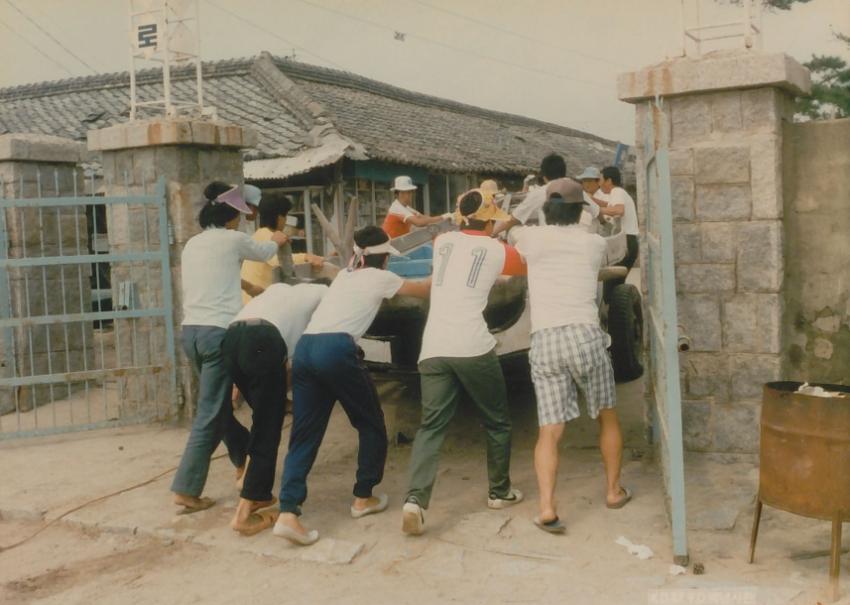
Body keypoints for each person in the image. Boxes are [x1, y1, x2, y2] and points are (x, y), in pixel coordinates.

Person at [274, 226, 431, 545]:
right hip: (337, 349)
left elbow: (340, 273)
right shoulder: (382, 277)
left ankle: (288, 512)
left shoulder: (346, 276)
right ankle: (363, 497)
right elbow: (423, 290)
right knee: (370, 423)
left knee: (304, 433)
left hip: (306, 348)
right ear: (384, 258)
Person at [402, 189, 526, 536]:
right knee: (497, 421)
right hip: (472, 346)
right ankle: (499, 492)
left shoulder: (442, 241)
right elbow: (523, 265)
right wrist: (508, 231)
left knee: (431, 426)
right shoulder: (498, 249)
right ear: (490, 221)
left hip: (433, 347)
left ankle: (414, 500)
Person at [513, 179, 631, 535]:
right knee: (607, 416)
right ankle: (613, 492)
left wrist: (538, 200)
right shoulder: (594, 243)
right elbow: (596, 220)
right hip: (585, 336)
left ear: (547, 209)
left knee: (549, 431)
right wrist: (588, 205)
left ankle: (547, 507)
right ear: (580, 210)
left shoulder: (530, 239)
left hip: (546, 339)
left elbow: (510, 226)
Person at [170, 182, 289, 514]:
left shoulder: (193, 244)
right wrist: (278, 238)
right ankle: (186, 489)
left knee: (218, 407)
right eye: (240, 214)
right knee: (210, 412)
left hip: (191, 333)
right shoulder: (234, 239)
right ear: (231, 216)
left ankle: (242, 457)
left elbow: (214, 277)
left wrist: (246, 285)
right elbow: (264, 252)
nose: (242, 220)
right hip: (218, 334)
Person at [223, 281, 328, 535]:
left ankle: (256, 490)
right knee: (267, 428)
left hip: (231, 337)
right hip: (263, 340)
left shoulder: (278, 290)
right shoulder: (324, 293)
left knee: (263, 419)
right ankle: (244, 514)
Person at [241, 192, 323, 302]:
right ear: (279, 217)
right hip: (256, 303)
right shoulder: (266, 235)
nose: (285, 221)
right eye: (285, 216)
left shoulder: (258, 234)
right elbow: (278, 260)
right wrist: (305, 257)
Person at [591, 166, 639, 302]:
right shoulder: (618, 194)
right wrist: (592, 200)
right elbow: (609, 204)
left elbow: (618, 210)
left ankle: (616, 313)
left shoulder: (617, 191)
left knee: (611, 289)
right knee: (615, 286)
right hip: (628, 242)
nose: (599, 184)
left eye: (600, 180)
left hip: (625, 243)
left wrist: (595, 209)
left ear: (609, 181)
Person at [491, 153, 567, 238]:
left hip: (551, 239)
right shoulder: (577, 190)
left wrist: (493, 233)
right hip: (576, 239)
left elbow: (512, 219)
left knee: (515, 229)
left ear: (544, 176)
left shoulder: (539, 193)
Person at [382, 175, 450, 238]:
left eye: (411, 192)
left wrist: (444, 217)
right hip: (388, 244)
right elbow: (419, 223)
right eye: (408, 192)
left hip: (398, 242)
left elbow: (423, 218)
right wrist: (442, 217)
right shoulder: (397, 208)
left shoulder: (406, 207)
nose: (411, 195)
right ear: (399, 194)